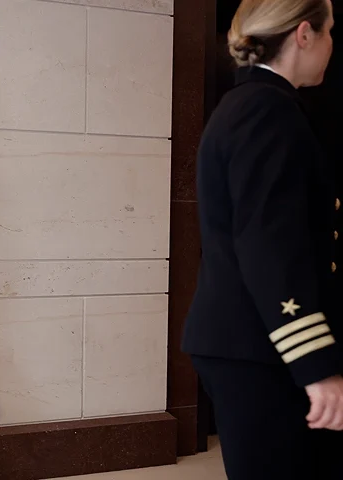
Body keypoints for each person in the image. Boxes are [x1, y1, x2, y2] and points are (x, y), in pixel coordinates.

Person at [181, 0, 343, 478]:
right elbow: (269, 250)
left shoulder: (255, 105)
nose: (333, 45)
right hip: (259, 347)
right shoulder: (266, 112)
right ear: (304, 35)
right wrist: (315, 365)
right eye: (330, 30)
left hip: (253, 341)